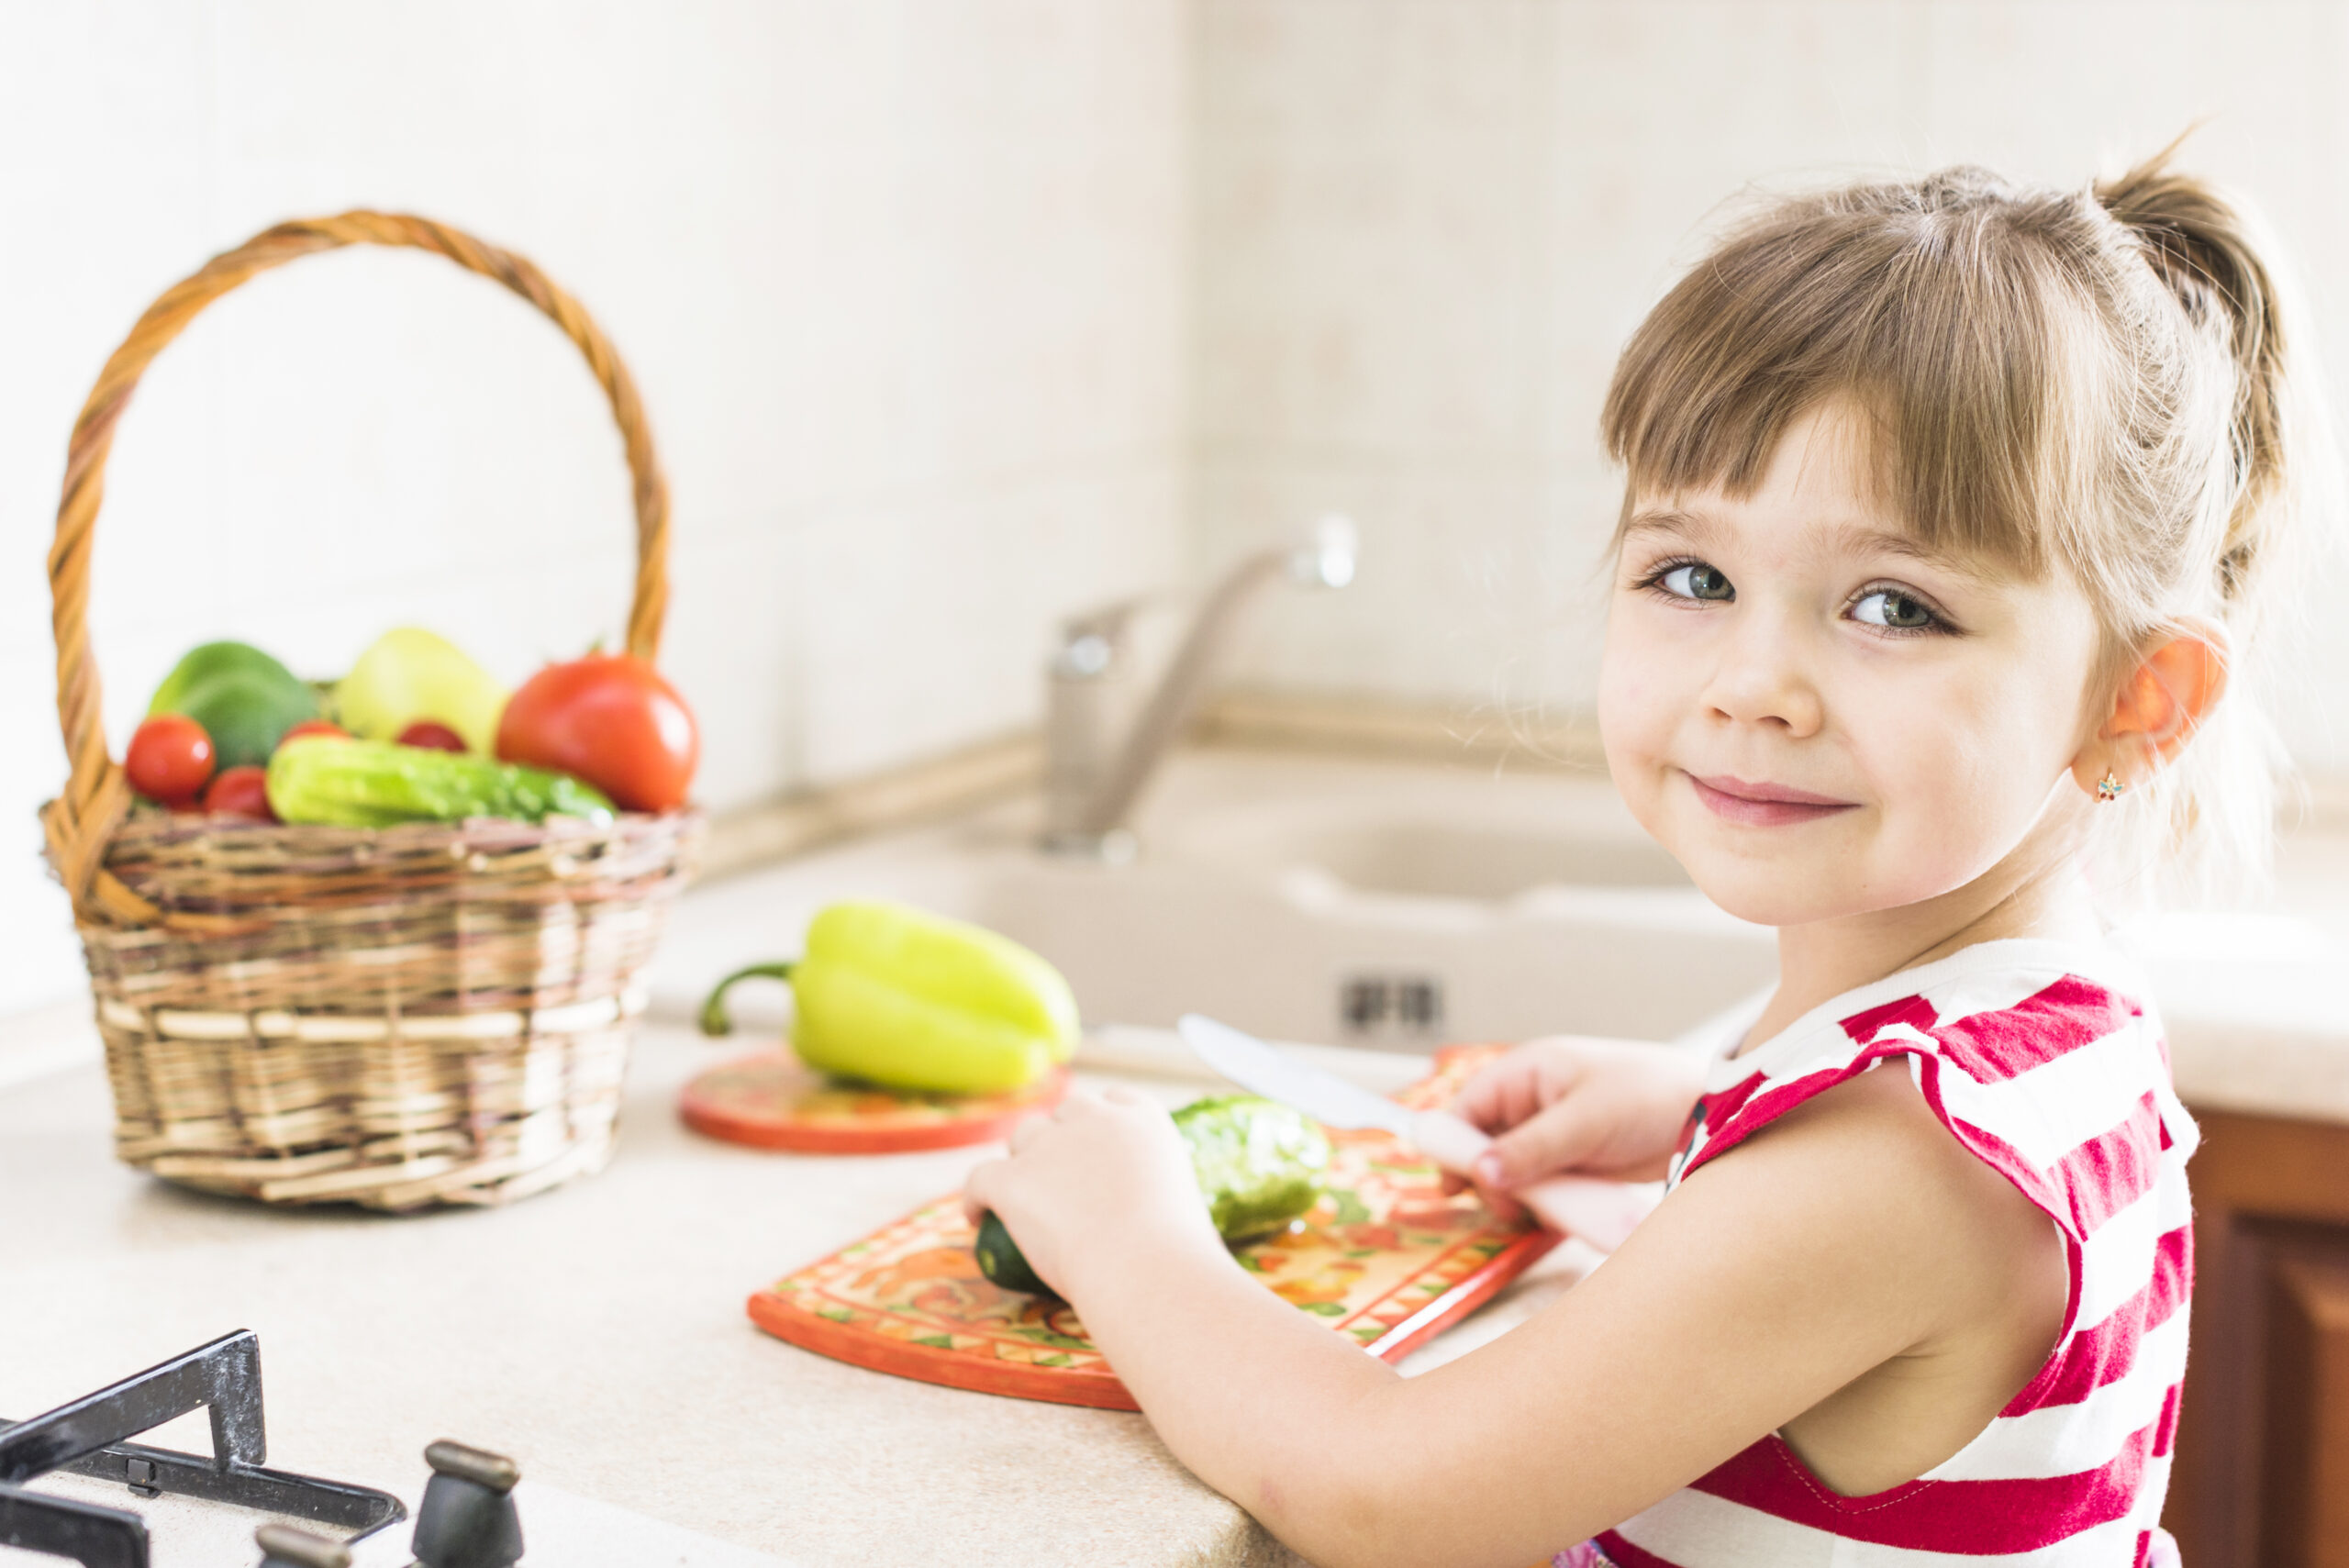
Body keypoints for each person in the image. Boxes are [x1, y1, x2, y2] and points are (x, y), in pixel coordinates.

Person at [965, 141, 2325, 1566]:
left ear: (2137, 699)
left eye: (1894, 607)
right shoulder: (2037, 1009)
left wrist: (1129, 1237)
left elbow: (1389, 1494)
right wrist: (1705, 1112)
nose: (1753, 683)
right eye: (1694, 577)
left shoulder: (1901, 1166)